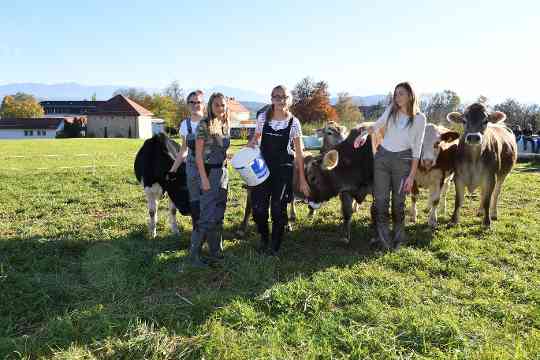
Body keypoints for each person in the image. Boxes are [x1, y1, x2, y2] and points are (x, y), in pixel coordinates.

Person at [354, 82, 426, 249]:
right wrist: (364, 135)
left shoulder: (419, 118)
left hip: (403, 161)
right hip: (382, 158)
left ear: (410, 95)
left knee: (398, 202)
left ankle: (399, 237)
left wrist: (411, 176)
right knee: (380, 200)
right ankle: (383, 238)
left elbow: (417, 147)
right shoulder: (391, 111)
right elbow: (377, 124)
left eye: (401, 93)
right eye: (396, 94)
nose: (397, 97)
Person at [247, 85, 310, 256]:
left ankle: (275, 244)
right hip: (263, 168)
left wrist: (302, 180)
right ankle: (264, 238)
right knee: (259, 208)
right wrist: (247, 152)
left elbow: (298, 153)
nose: (280, 99)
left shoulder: (293, 122)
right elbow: (255, 140)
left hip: (283, 169)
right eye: (276, 96)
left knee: (277, 208)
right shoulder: (262, 118)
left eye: (283, 97)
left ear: (288, 99)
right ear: (271, 98)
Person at [189, 92, 230, 267]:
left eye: (222, 105)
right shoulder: (203, 125)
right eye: (216, 105)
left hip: (223, 173)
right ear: (210, 106)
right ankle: (194, 255)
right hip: (208, 173)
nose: (220, 108)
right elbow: (198, 156)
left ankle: (216, 251)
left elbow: (222, 149)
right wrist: (204, 179)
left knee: (219, 214)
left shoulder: (226, 124)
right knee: (206, 216)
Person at [169, 90, 205, 237]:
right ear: (188, 105)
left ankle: (212, 236)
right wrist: (172, 170)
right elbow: (183, 150)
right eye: (192, 102)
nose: (195, 105)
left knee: (209, 203)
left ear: (203, 104)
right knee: (195, 203)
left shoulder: (210, 121)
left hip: (209, 168)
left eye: (198, 102)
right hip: (191, 168)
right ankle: (197, 234)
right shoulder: (185, 124)